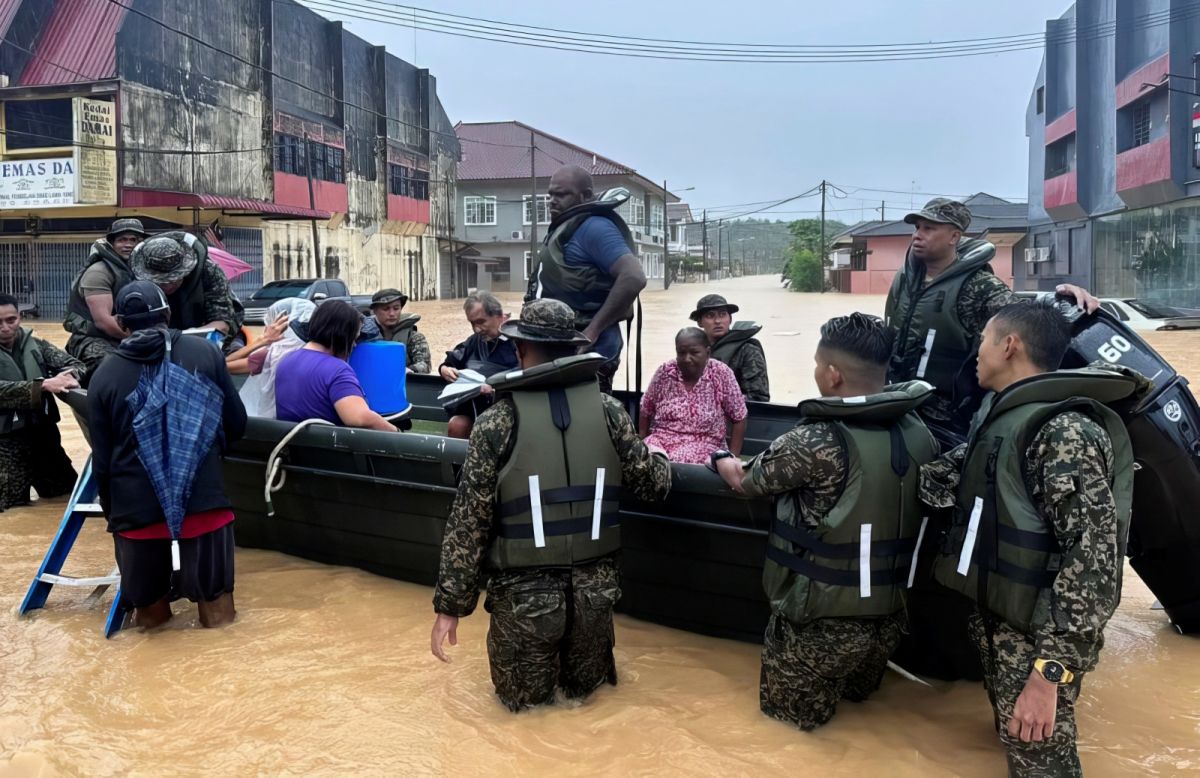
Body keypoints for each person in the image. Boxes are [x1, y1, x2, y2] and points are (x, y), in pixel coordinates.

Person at [921, 301, 1138, 776]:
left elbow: (1094, 560)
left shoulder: (1064, 433)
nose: (976, 353)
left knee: (1042, 764)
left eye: (982, 341)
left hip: (1038, 643)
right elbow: (955, 476)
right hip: (1002, 623)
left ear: (1009, 345)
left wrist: (1049, 675)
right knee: (1017, 745)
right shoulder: (1001, 418)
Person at [430, 298, 672, 712]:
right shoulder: (611, 412)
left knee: (523, 719)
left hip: (524, 601)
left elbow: (468, 523)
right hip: (594, 598)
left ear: (521, 350)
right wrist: (661, 454)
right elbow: (653, 486)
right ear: (574, 350)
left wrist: (450, 608)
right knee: (590, 710)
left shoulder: (496, 422)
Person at [713, 313, 937, 730]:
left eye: (817, 363)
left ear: (833, 375)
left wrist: (721, 457)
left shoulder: (814, 440)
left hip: (818, 628)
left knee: (788, 734)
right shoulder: (917, 430)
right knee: (860, 726)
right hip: (887, 622)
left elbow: (747, 481)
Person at [87, 281, 247, 628]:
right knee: (218, 614)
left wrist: (116, 516)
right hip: (203, 504)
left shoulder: (104, 376)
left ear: (122, 324)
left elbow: (102, 461)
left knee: (149, 618)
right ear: (168, 314)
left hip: (137, 511)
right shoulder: (206, 354)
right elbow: (236, 424)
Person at [885, 198, 1097, 448]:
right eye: (917, 228)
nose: (917, 235)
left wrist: (1063, 297)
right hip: (897, 404)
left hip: (943, 423)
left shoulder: (979, 286)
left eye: (928, 229)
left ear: (954, 237)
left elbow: (1028, 321)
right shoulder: (905, 278)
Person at [527, 165, 646, 393]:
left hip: (586, 354)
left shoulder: (595, 228)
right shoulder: (565, 228)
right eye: (550, 194)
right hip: (559, 350)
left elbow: (633, 276)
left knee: (584, 421)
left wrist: (592, 330)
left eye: (562, 194)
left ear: (586, 196)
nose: (552, 200)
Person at [0, 294, 84, 511]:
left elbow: (75, 364)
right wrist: (43, 385)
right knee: (10, 511)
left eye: (11, 320)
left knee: (67, 497)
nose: (6, 328)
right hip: (6, 445)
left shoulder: (36, 344)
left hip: (43, 436)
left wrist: (68, 376)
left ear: (19, 316)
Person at [274, 300, 395, 431]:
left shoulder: (287, 360)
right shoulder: (337, 369)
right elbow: (359, 417)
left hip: (294, 446)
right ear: (342, 335)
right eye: (354, 338)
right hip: (328, 448)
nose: (354, 345)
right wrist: (397, 433)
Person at [639, 327, 747, 464]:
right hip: (661, 439)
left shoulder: (721, 373)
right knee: (640, 456)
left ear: (707, 353)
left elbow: (739, 418)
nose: (687, 359)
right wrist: (642, 440)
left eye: (694, 353)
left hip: (705, 444)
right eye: (681, 353)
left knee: (677, 459)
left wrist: (733, 458)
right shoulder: (665, 371)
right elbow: (645, 408)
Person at [63, 218, 149, 381]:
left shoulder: (142, 269)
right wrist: (141, 341)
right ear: (112, 243)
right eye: (122, 239)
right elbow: (104, 322)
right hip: (93, 338)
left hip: (130, 334)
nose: (128, 244)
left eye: (134, 240)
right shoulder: (99, 272)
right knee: (111, 366)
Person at [130, 232, 244, 354]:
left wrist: (178, 339)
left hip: (202, 340)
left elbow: (222, 324)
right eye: (161, 282)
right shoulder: (136, 276)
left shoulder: (209, 272)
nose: (168, 286)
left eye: (174, 280)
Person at [438, 291, 518, 438]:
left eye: (481, 322)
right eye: (472, 323)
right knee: (457, 425)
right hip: (474, 410)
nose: (476, 329)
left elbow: (527, 374)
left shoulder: (518, 343)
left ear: (500, 316)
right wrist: (444, 368)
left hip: (508, 412)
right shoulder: (474, 341)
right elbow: (453, 358)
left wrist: (497, 387)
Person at [235, 298, 315, 419]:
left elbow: (222, 364)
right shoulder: (310, 351)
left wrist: (263, 340)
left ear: (280, 324)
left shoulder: (271, 354)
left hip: (259, 421)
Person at [690, 293, 770, 401]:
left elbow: (759, 398)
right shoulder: (692, 351)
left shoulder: (747, 350)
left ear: (730, 319)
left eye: (722, 315)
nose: (717, 321)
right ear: (700, 322)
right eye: (710, 316)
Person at [369, 288, 430, 374]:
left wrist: (410, 370)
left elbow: (425, 365)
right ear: (374, 311)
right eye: (386, 309)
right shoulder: (361, 335)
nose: (392, 314)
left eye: (396, 308)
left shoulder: (413, 336)